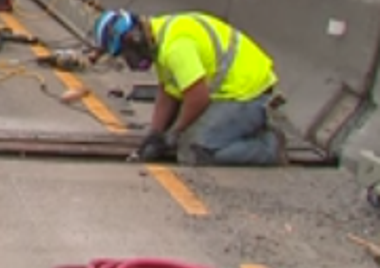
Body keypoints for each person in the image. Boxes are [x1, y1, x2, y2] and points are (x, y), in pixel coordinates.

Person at [92, 9, 287, 166]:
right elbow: (168, 91)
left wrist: (174, 133)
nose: (130, 60)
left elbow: (198, 98)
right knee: (178, 133)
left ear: (134, 38)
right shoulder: (160, 35)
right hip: (230, 90)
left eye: (127, 53)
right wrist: (155, 133)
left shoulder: (175, 48)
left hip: (249, 94)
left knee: (193, 150)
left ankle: (269, 147)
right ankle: (239, 131)